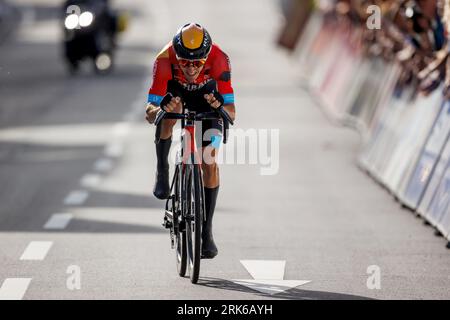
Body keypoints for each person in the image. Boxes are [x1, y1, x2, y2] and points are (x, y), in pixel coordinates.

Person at [145, 23, 236, 259]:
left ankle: (206, 232)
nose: (191, 68)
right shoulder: (164, 59)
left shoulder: (219, 59)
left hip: (208, 103)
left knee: (210, 161)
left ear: (207, 57)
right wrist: (160, 109)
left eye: (197, 62)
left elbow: (232, 113)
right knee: (166, 118)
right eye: (184, 61)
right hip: (176, 95)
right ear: (176, 55)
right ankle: (162, 169)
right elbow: (149, 112)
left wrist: (219, 106)